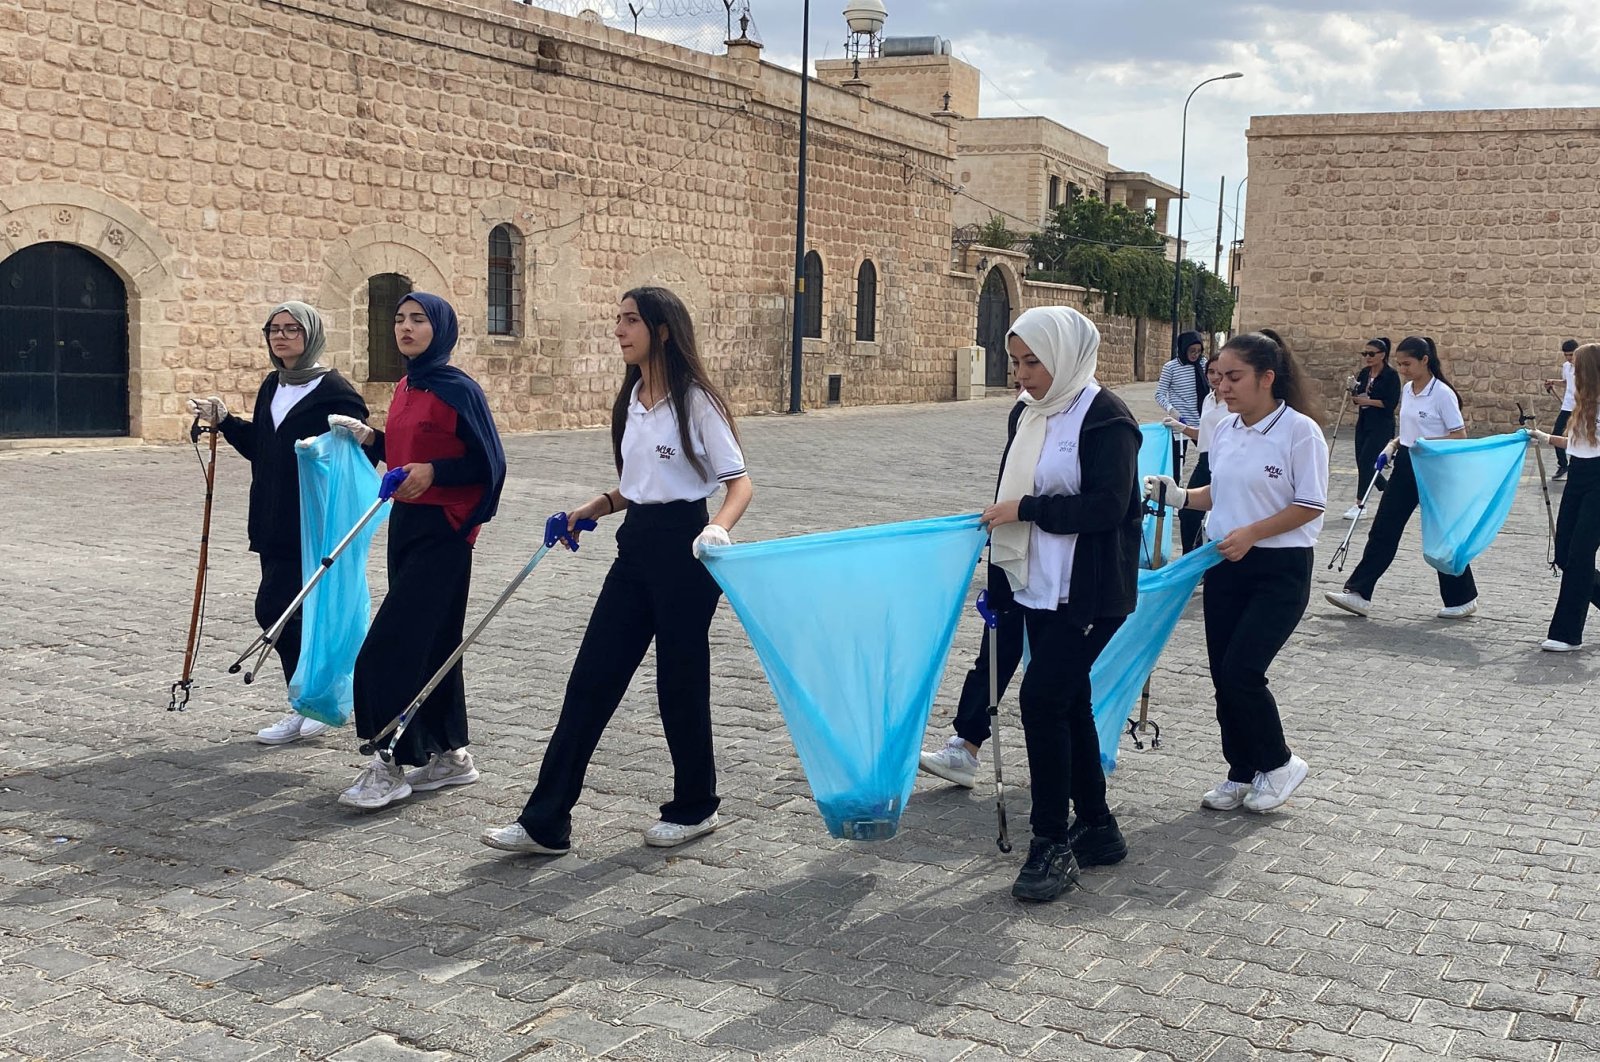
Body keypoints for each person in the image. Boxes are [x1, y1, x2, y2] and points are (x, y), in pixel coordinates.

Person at [481, 287, 753, 856]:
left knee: (679, 683)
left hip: (688, 548)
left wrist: (718, 529)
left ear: (663, 330)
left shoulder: (696, 400)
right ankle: (546, 822)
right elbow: (637, 487)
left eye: (630, 320)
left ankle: (695, 806)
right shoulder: (631, 399)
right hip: (636, 548)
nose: (618, 330)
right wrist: (596, 506)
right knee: (590, 682)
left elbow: (738, 482)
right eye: (618, 319)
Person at [970, 306, 1141, 903]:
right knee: (1068, 704)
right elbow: (1004, 498)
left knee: (1040, 701)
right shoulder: (1027, 413)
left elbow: (1109, 508)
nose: (1021, 373)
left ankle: (1049, 842)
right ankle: (1096, 828)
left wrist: (1030, 512)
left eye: (1032, 361)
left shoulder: (1107, 418)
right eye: (1015, 361)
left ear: (1064, 356)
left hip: (1089, 592)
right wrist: (998, 581)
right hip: (1035, 584)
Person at [331, 292, 507, 810]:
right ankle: (451, 754)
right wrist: (372, 439)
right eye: (400, 319)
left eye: (418, 320)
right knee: (433, 645)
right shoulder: (409, 384)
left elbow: (488, 464)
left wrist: (435, 475)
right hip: (406, 525)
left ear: (442, 328)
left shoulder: (458, 390)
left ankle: (387, 760)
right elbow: (408, 451)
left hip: (445, 531)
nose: (405, 327)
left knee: (389, 647)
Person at [1145, 330, 1326, 815]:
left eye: (1233, 377)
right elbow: (1216, 493)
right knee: (1222, 676)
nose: (1221, 387)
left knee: (1244, 670)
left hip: (1278, 569)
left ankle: (1280, 762)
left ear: (1267, 378)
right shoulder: (1223, 428)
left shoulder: (1300, 432)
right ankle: (1241, 772)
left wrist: (1252, 533)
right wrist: (1179, 495)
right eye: (1216, 376)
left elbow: (1309, 505)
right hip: (1223, 562)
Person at [186, 302, 369, 745]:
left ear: (311, 335)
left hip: (313, 525)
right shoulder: (273, 384)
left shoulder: (335, 392)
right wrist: (226, 422)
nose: (282, 337)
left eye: (292, 329)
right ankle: (309, 702)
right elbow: (265, 449)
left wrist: (324, 450)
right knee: (288, 612)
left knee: (281, 611)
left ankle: (315, 699)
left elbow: (357, 458)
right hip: (271, 519)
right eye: (275, 329)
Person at [1324, 336, 1478, 620]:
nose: (1403, 369)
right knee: (1384, 528)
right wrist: (1394, 444)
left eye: (1407, 364)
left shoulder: (1442, 394)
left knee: (1442, 535)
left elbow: (1459, 436)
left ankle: (1463, 597)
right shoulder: (1408, 390)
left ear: (1424, 360)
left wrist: (1425, 443)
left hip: (1436, 470)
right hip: (1406, 464)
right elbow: (1408, 430)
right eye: (1399, 364)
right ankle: (1359, 593)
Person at [1530, 342, 1600, 650]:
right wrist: (1542, 437)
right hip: (1578, 476)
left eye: (1576, 366)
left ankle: (1566, 633)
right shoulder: (1582, 402)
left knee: (1580, 554)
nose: (1571, 370)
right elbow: (1575, 443)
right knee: (1563, 552)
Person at [1165, 358, 1226, 553]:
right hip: (1205, 460)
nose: (1215, 377)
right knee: (1187, 512)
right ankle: (1191, 559)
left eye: (1221, 373)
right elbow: (1205, 435)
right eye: (1211, 372)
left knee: (1220, 514)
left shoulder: (1234, 402)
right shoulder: (1208, 399)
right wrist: (1181, 428)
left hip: (1225, 462)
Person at [1345, 337, 1401, 519]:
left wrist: (1366, 401)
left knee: (1366, 462)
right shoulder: (1364, 373)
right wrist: (1353, 390)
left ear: (1382, 355)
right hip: (1364, 422)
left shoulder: (1391, 376)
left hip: (1381, 425)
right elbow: (1357, 398)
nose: (1367, 357)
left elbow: (1390, 403)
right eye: (1365, 354)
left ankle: (1360, 504)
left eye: (1371, 354)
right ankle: (1385, 487)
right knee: (1361, 461)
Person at [1156, 330, 1208, 474]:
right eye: (1192, 351)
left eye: (1198, 351)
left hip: (1202, 420)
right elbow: (1159, 394)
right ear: (1183, 348)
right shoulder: (1170, 367)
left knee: (1209, 457)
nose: (1195, 354)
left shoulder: (1204, 364)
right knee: (1177, 463)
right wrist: (1171, 410)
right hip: (1181, 422)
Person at [1544, 339, 1579, 481]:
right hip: (1567, 406)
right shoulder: (1566, 366)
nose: (1569, 358)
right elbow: (1567, 383)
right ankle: (1563, 465)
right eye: (1566, 355)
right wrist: (1553, 382)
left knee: (1578, 437)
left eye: (1571, 355)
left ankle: (1576, 468)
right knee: (1556, 434)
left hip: (1581, 407)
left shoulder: (1586, 367)